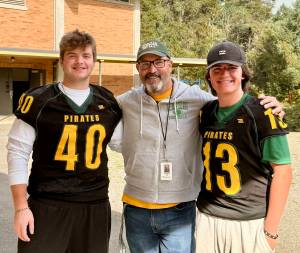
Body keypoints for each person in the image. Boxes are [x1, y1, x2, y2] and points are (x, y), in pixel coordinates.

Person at [109, 40, 284, 253]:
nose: (152, 69)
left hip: (180, 209)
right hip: (136, 207)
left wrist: (268, 105)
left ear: (170, 65)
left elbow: (231, 100)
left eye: (159, 62)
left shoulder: (196, 98)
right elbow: (97, 108)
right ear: (137, 68)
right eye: (145, 64)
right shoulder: (127, 100)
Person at [7, 29, 122, 253]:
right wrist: (21, 208)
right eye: (72, 55)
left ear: (94, 60)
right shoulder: (39, 100)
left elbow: (123, 144)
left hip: (94, 204)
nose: (80, 61)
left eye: (86, 55)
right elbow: (17, 153)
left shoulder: (106, 100)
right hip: (48, 204)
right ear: (61, 60)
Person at [195, 41, 292, 253]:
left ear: (243, 74)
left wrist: (270, 231)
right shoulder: (205, 112)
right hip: (207, 216)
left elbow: (283, 172)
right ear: (209, 77)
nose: (224, 74)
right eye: (217, 69)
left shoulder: (263, 112)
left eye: (231, 68)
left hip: (247, 221)